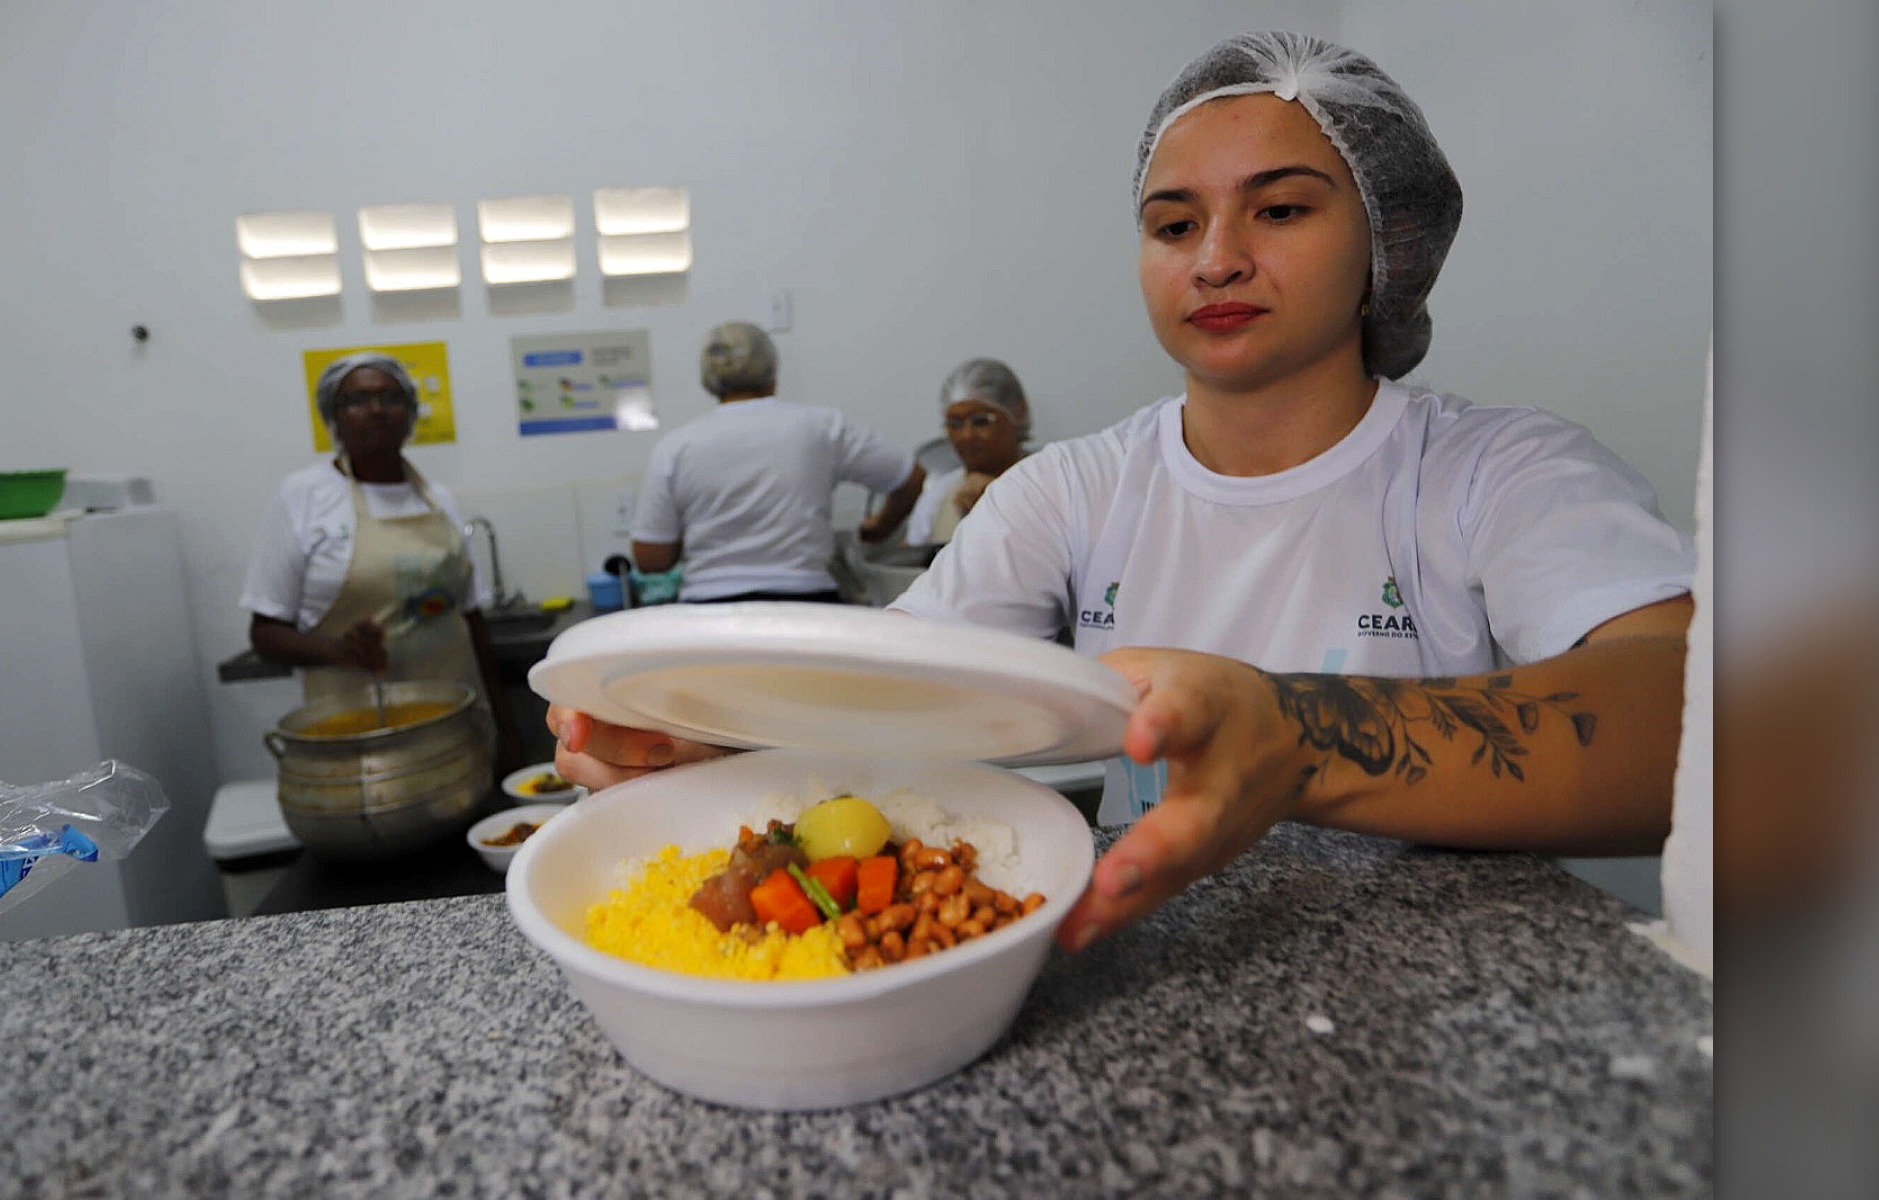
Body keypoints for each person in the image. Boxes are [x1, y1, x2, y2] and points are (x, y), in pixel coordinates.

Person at [548, 32, 1694, 957]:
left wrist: (1294, 735)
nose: (1216, 259)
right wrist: (723, 741)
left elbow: (1699, 720)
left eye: (1282, 209)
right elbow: (889, 694)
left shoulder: (1496, 473)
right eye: (1174, 223)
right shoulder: (1075, 491)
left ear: (1386, 245)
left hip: (1454, 995)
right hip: (1140, 964)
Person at [242, 352, 521, 773]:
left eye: (390, 397)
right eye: (356, 400)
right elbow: (265, 634)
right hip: (360, 745)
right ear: (333, 419)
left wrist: (505, 726)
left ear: (410, 415)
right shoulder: (304, 496)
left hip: (455, 733)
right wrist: (339, 649)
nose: (375, 410)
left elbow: (472, 620)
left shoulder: (437, 499)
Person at [629, 321, 926, 602]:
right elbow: (910, 477)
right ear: (773, 372)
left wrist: (698, 535)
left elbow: (650, 558)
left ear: (709, 380)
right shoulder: (822, 427)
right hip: (805, 605)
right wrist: (880, 528)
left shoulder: (676, 447)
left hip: (710, 615)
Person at [903, 358, 1033, 548]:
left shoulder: (1048, 480)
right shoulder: (939, 495)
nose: (966, 436)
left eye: (981, 421)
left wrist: (1001, 499)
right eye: (954, 424)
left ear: (1018, 413)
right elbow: (910, 562)